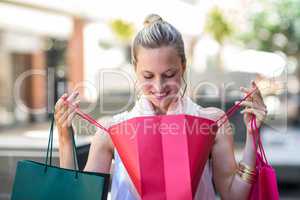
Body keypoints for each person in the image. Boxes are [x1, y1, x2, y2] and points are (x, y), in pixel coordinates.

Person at [54, 14, 267, 200]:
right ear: (135, 69)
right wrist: (65, 136)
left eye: (169, 75)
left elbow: (234, 195)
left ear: (183, 67)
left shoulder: (211, 122)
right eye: (148, 76)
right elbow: (80, 196)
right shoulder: (111, 131)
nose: (158, 86)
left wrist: (252, 134)